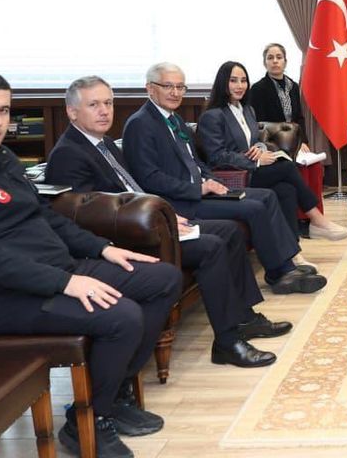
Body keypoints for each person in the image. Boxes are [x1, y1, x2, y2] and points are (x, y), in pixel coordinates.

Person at [0, 68, 183, 458]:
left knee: (163, 278)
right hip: (1, 297)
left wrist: (102, 249)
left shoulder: (2, 158)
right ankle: (89, 420)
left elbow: (45, 216)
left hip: (54, 272)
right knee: (122, 317)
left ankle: (111, 393)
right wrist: (65, 283)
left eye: (4, 110)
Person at [46, 75, 292, 370]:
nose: (104, 111)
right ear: (72, 111)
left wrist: (167, 215)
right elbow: (85, 219)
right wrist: (159, 220)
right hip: (129, 241)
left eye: (108, 103)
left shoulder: (105, 144)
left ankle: (245, 318)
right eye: (94, 105)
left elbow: (133, 192)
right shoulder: (68, 155)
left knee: (229, 231)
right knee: (212, 246)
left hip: (151, 222)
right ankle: (227, 342)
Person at [121, 62, 326, 295]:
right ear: (150, 88)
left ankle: (286, 265)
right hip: (181, 202)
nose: (176, 93)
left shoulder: (175, 119)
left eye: (180, 87)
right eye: (168, 86)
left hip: (203, 191)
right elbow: (149, 178)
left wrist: (212, 181)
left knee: (268, 196)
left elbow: (197, 162)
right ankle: (280, 274)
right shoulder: (140, 124)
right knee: (255, 207)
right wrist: (198, 189)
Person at [198, 60, 347, 240]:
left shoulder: (247, 110)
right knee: (287, 168)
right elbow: (216, 157)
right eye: (233, 81)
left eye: (243, 80)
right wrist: (256, 160)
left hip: (251, 170)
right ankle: (317, 219)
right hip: (233, 175)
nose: (240, 86)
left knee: (287, 189)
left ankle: (292, 248)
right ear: (223, 82)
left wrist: (260, 149)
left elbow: (254, 142)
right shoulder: (213, 115)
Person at [247, 42, 304, 125]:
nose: (275, 61)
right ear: (264, 63)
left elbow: (299, 117)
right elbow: (257, 122)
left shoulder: (293, 86)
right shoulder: (257, 89)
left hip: (294, 132)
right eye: (270, 58)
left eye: (279, 57)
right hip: (269, 133)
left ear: (285, 62)